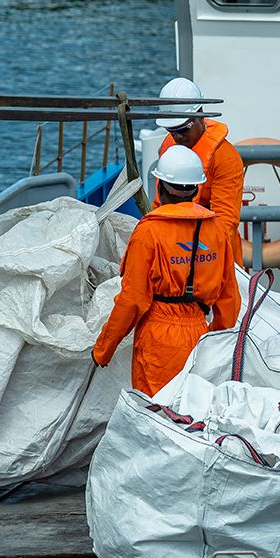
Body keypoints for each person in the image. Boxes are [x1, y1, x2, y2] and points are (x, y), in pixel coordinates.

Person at [92, 147, 242, 396]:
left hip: (158, 341)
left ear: (160, 185)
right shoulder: (217, 230)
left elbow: (132, 301)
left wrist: (103, 350)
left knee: (156, 415)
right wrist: (212, 343)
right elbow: (229, 301)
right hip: (200, 338)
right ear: (196, 189)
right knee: (195, 413)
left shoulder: (149, 232)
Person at [154, 76, 244, 236]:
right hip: (170, 244)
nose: (177, 136)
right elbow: (158, 205)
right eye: (171, 130)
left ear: (200, 115)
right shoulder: (168, 147)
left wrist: (192, 252)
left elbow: (225, 223)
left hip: (212, 250)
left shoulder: (226, 158)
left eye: (183, 129)